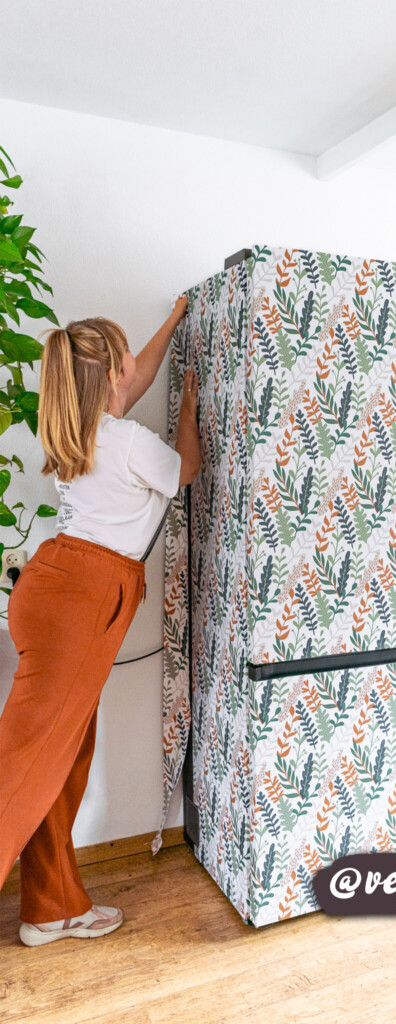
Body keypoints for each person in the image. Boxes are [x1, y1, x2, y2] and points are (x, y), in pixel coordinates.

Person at [0, 298, 200, 946]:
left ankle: (51, 908)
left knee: (59, 760)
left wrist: (174, 316)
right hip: (81, 599)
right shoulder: (132, 442)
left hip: (54, 586)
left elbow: (135, 376)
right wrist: (189, 406)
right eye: (123, 362)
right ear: (110, 374)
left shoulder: (79, 425)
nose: (131, 372)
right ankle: (52, 907)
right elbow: (186, 470)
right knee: (23, 769)